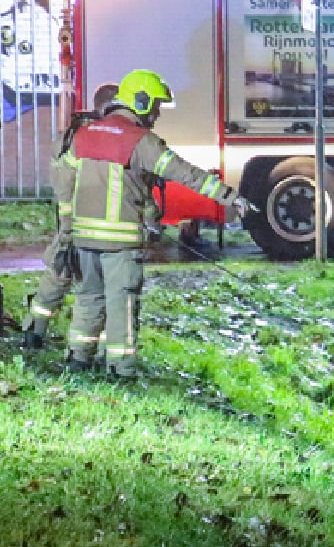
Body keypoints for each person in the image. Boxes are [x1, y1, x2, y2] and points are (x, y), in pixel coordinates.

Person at [64, 69, 248, 377]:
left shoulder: (84, 134)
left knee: (88, 300)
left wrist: (66, 229)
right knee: (122, 305)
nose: (157, 114)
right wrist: (229, 196)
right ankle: (120, 370)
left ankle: (78, 360)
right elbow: (186, 173)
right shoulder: (141, 141)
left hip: (83, 239)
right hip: (120, 243)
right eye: (156, 106)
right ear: (141, 101)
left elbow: (67, 181)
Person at [21, 82, 114, 352]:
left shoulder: (74, 133)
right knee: (93, 286)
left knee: (58, 275)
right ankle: (88, 350)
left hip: (72, 219)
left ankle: (34, 330)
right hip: (87, 220)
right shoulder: (95, 136)